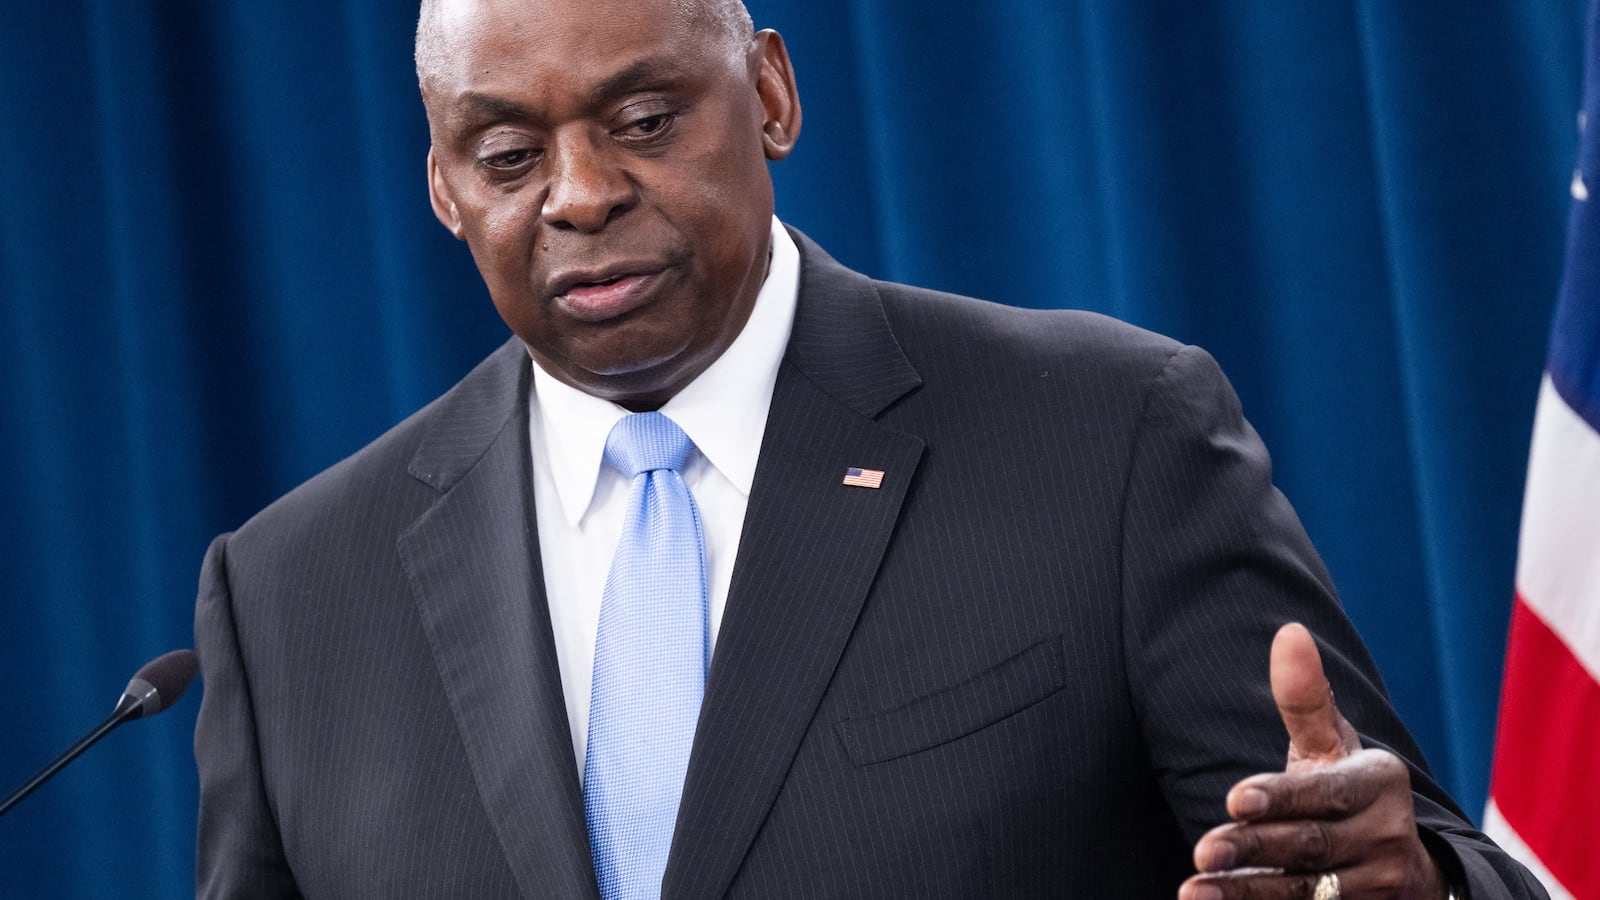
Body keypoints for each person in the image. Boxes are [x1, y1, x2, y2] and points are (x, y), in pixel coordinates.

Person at [191, 0, 1547, 897]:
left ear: (770, 95)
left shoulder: (1109, 439)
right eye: (506, 155)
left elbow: (1379, 853)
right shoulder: (292, 594)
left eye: (645, 121)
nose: (583, 195)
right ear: (443, 189)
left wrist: (1411, 887)